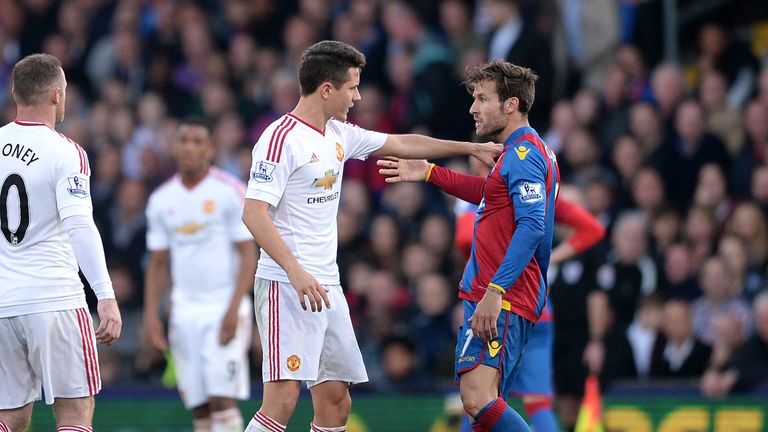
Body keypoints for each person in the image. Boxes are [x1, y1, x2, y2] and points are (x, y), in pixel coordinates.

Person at [241, 40, 501, 432]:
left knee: (336, 402)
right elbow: (253, 214)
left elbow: (403, 142)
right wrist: (294, 271)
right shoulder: (281, 140)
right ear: (327, 89)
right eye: (352, 87)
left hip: (326, 285)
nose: (358, 96)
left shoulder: (339, 134)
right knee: (282, 400)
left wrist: (469, 147)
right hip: (286, 285)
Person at [379, 59, 558, 431]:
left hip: (503, 295)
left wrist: (495, 291)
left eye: (482, 98)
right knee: (484, 411)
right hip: (499, 294)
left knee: (477, 400)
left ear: (511, 105)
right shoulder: (518, 152)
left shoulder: (524, 155)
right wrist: (429, 172)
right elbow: (489, 194)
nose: (473, 108)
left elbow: (532, 227)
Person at [0, 53, 122, 432]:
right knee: (75, 412)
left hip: (3, 301)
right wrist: (104, 293)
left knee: (10, 417)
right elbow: (79, 224)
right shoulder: (65, 151)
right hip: (54, 298)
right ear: (56, 95)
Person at [143, 118, 256, 432]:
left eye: (197, 141)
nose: (189, 147)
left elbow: (249, 253)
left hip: (223, 307)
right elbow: (157, 262)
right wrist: (152, 314)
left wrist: (234, 308)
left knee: (222, 398)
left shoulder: (230, 191)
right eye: (184, 140)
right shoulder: (161, 200)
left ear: (210, 149)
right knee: (200, 406)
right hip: (184, 312)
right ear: (174, 147)